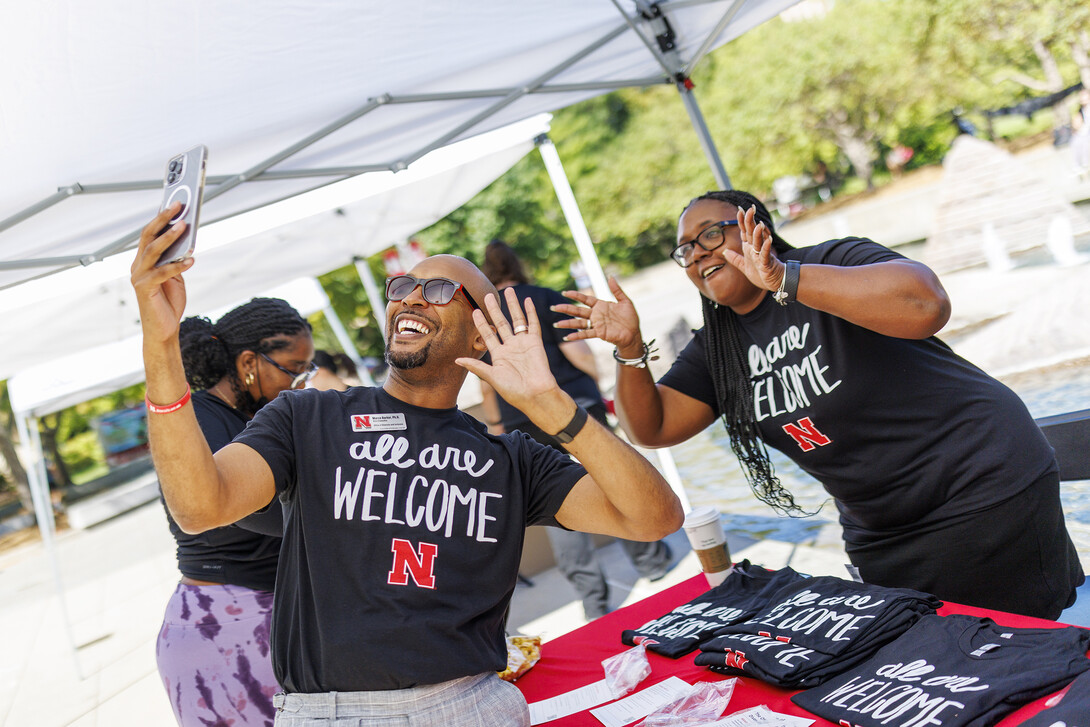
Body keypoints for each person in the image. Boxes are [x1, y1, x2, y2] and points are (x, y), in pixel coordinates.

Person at [131, 202, 683, 726]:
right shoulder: (308, 416)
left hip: (467, 704)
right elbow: (201, 507)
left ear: (481, 330)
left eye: (439, 290)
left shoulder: (511, 459)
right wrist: (159, 344)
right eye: (403, 286)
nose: (412, 298)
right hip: (328, 713)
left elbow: (654, 519)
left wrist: (553, 406)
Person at [556, 189, 1084, 621]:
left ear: (753, 225)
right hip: (884, 534)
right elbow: (654, 426)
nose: (698, 253)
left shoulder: (829, 264)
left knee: (1017, 656)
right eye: (686, 250)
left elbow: (927, 304)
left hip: (981, 488)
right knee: (931, 667)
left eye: (711, 234)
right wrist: (629, 351)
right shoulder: (717, 347)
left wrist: (787, 280)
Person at [478, 239, 672, 620]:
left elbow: (488, 385)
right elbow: (579, 356)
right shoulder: (544, 299)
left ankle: (593, 601)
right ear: (519, 265)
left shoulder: (486, 320)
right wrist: (598, 388)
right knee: (614, 483)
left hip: (521, 422)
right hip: (573, 408)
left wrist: (498, 426)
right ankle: (653, 564)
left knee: (556, 504)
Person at [155, 296, 318, 727]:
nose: (300, 382)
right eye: (293, 369)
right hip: (224, 631)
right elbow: (253, 512)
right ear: (249, 361)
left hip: (257, 615)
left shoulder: (248, 417)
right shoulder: (203, 421)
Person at [1072, 88, 1090, 179]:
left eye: (1084, 96)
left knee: (1085, 142)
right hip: (1083, 132)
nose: (1082, 99)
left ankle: (1085, 164)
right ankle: (1079, 166)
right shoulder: (1081, 110)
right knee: (1076, 141)